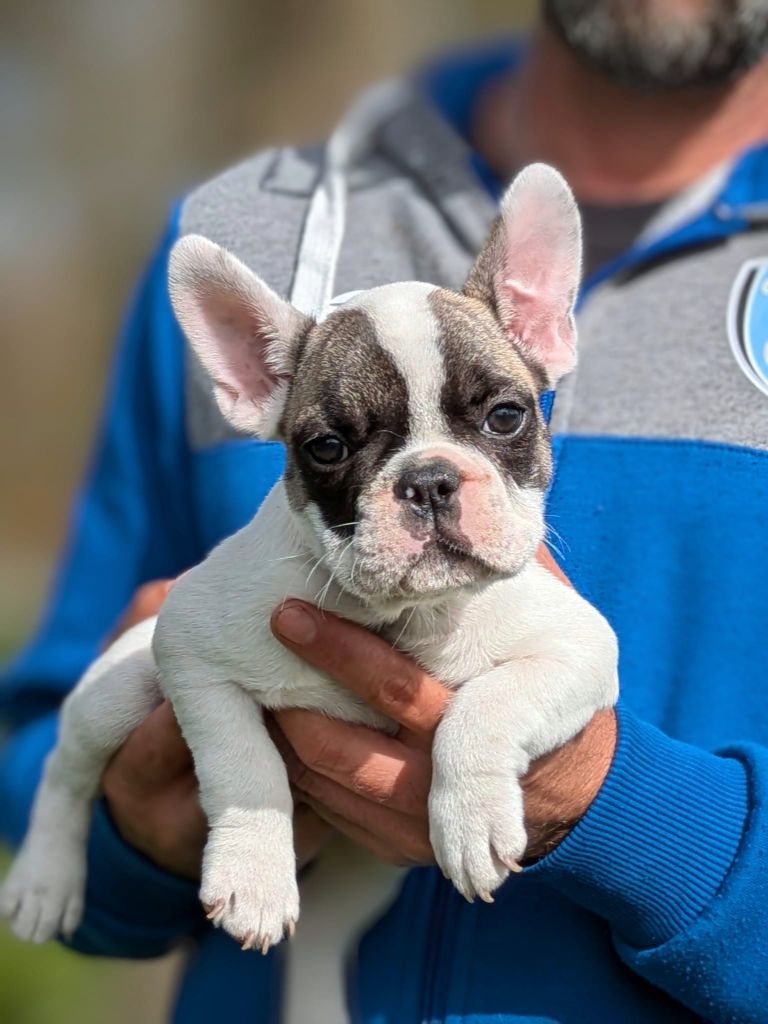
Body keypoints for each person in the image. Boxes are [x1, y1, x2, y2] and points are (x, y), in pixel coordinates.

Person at [3, 1, 768, 1020]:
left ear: (541, 319)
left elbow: (581, 662)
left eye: (498, 417)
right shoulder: (240, 226)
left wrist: (625, 816)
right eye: (334, 448)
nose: (432, 489)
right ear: (251, 386)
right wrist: (145, 836)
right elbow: (48, 721)